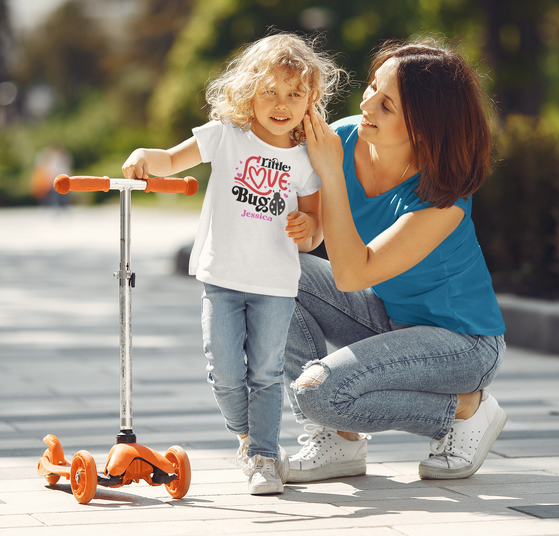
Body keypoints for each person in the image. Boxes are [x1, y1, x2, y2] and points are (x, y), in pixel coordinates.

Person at [122, 33, 345, 494]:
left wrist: (310, 228)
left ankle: (264, 457)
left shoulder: (305, 160)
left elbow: (317, 226)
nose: (281, 104)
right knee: (224, 371)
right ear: (249, 91)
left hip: (276, 284)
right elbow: (169, 160)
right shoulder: (226, 135)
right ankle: (247, 437)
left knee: (265, 372)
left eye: (294, 94)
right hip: (223, 277)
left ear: (310, 102)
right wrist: (146, 156)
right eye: (271, 91)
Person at [283, 37, 507, 483]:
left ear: (423, 127)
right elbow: (320, 234)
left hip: (462, 344)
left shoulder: (444, 198)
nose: (367, 105)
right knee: (277, 274)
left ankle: (467, 408)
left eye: (386, 105)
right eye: (370, 89)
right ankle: (338, 441)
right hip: (387, 317)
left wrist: (328, 171)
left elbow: (350, 273)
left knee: (319, 392)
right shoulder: (347, 138)